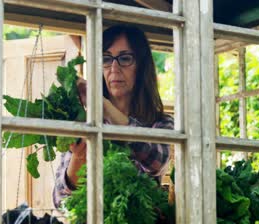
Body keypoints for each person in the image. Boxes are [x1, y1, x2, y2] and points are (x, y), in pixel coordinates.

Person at [53, 24, 174, 209]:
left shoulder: (160, 123)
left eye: (125, 58)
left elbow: (156, 162)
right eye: (106, 59)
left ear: (141, 66)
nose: (114, 68)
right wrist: (78, 157)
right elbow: (61, 200)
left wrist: (104, 106)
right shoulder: (87, 122)